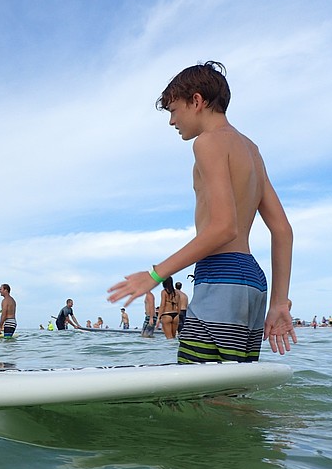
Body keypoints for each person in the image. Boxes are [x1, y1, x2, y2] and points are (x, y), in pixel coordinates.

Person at [107, 61, 295, 362]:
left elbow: (224, 227)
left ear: (197, 101)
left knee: (202, 397)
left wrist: (155, 274)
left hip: (221, 276)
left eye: (173, 110)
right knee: (232, 392)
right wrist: (278, 302)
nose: (172, 121)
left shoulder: (208, 143)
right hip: (252, 282)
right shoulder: (251, 149)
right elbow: (283, 230)